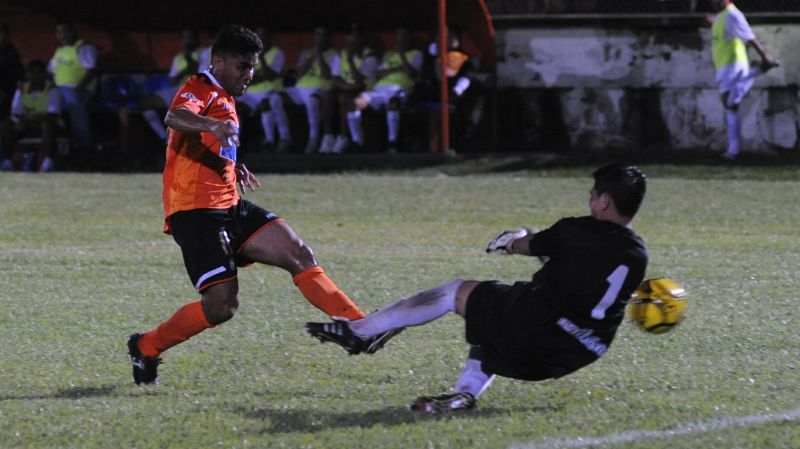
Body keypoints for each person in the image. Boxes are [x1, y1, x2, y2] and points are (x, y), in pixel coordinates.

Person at [126, 24, 398, 386]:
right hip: (196, 214)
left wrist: (231, 164)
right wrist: (211, 125)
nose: (249, 75)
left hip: (230, 204)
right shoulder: (199, 86)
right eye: (242, 66)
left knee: (298, 252)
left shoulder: (224, 93)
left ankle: (361, 326)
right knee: (221, 307)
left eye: (253, 67)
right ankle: (146, 346)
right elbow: (173, 117)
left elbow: (204, 142)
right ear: (219, 62)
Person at [307, 164, 648, 412]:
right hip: (578, 352)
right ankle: (464, 396)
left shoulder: (577, 231)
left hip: (539, 330)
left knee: (457, 293)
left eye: (592, 196)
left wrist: (511, 240)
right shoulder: (638, 254)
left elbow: (525, 246)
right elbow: (580, 272)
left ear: (604, 202)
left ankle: (360, 330)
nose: (590, 202)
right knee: (496, 317)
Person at [710, 0, 778, 160]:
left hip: (732, 65)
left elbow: (749, 36)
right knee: (730, 107)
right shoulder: (721, 16)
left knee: (730, 103)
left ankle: (733, 151)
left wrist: (765, 57)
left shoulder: (733, 14)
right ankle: (733, 151)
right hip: (723, 65)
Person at [346, 27, 421, 154]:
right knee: (354, 103)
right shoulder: (388, 54)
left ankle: (392, 143)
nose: (401, 39)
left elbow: (411, 73)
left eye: (404, 36)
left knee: (393, 103)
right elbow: (379, 74)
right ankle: (357, 142)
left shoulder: (416, 54)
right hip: (380, 89)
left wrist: (402, 56)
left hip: (400, 89)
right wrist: (398, 68)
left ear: (410, 39)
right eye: (399, 36)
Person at [270, 27, 340, 153]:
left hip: (319, 89)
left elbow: (327, 75)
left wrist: (319, 56)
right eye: (317, 35)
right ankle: (285, 138)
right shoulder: (307, 53)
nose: (320, 39)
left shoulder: (334, 55)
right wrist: (311, 57)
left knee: (312, 101)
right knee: (275, 98)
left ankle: (313, 139)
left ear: (328, 39)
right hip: (300, 89)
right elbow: (299, 73)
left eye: (323, 36)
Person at [137, 28, 203, 144]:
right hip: (178, 88)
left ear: (195, 39)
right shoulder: (179, 57)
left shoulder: (204, 53)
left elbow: (199, 74)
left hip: (198, 91)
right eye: (184, 38)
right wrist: (184, 71)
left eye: (189, 38)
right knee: (145, 103)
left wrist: (188, 58)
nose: (187, 41)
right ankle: (165, 139)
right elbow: (172, 82)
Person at [235, 27, 291, 152]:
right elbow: (245, 77)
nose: (260, 39)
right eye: (258, 36)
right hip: (252, 93)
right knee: (234, 106)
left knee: (267, 102)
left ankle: (270, 141)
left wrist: (263, 58)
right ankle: (234, 145)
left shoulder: (277, 52)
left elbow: (270, 75)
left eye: (263, 36)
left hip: (271, 90)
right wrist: (258, 76)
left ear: (269, 37)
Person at [0, 60, 62, 172]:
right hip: (26, 123)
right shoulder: (22, 89)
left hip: (45, 123)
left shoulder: (52, 89)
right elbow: (15, 111)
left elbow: (52, 113)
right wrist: (19, 121)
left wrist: (28, 120)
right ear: (27, 74)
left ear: (44, 74)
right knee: (6, 125)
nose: (36, 76)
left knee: (46, 124)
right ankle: (7, 161)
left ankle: (47, 161)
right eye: (32, 73)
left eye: (39, 72)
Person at [48, 21, 96, 156]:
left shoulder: (83, 47)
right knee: (46, 107)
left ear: (73, 32)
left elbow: (91, 71)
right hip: (59, 91)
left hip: (79, 90)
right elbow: (50, 72)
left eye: (65, 31)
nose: (62, 35)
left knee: (75, 104)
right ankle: (52, 150)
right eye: (59, 32)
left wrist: (79, 88)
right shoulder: (59, 51)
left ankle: (84, 147)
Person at [329, 25, 377, 153]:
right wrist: (346, 87)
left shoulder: (370, 57)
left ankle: (350, 139)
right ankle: (327, 137)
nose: (352, 46)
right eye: (350, 43)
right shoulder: (341, 54)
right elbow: (334, 78)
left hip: (367, 92)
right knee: (327, 97)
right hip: (347, 88)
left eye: (355, 43)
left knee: (347, 99)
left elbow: (359, 80)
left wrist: (350, 61)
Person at [0, 23, 24, 123]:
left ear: (7, 36)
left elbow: (16, 76)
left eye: (2, 34)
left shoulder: (12, 54)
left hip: (6, 94)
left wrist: (3, 90)